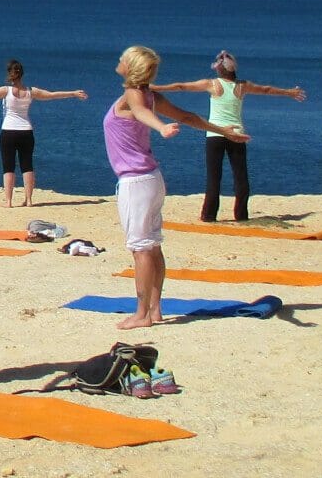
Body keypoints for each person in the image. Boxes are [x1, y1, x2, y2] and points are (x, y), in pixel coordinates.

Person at [104, 47, 248, 330]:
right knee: (153, 246)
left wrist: (160, 128)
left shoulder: (136, 95)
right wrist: (225, 131)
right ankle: (155, 309)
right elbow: (187, 116)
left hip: (136, 182)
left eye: (122, 58)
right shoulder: (149, 94)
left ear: (131, 67)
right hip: (152, 179)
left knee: (141, 249)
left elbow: (143, 113)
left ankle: (142, 314)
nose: (118, 61)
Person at [151, 50, 306, 222]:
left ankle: (209, 216)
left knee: (214, 177)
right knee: (241, 177)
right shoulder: (242, 86)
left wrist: (154, 88)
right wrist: (289, 92)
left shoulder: (212, 84)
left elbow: (181, 87)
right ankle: (241, 216)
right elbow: (266, 90)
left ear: (221, 69)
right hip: (237, 135)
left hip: (215, 134)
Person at [0, 59, 87, 207]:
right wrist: (73, 93)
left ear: (10, 74)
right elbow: (52, 95)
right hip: (26, 132)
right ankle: (29, 200)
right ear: (22, 74)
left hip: (8, 132)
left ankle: (9, 201)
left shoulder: (6, 91)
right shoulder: (31, 91)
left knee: (8, 166)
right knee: (27, 165)